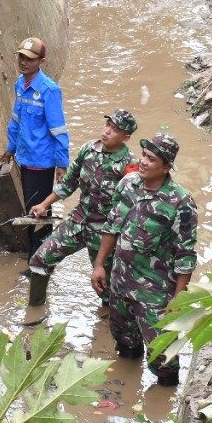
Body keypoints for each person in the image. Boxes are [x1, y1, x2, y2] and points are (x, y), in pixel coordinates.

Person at [90, 133, 197, 387]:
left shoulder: (180, 202)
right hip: (120, 285)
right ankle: (125, 388)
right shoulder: (128, 184)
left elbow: (186, 254)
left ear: (166, 167)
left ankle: (162, 404)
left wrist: (179, 297)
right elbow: (112, 226)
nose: (144, 162)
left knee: (163, 357)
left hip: (155, 295)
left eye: (152, 159)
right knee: (125, 344)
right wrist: (99, 265)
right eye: (143, 156)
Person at [26, 109, 139, 311]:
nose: (107, 131)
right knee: (40, 259)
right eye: (107, 125)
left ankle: (109, 322)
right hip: (78, 221)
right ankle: (34, 311)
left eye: (114, 130)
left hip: (105, 232)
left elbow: (128, 211)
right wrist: (44, 204)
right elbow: (68, 183)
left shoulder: (130, 166)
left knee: (107, 287)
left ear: (126, 137)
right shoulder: (89, 149)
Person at [0, 36, 69, 258]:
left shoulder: (49, 90)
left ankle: (37, 259)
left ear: (41, 61)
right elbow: (16, 120)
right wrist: (10, 148)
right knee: (35, 208)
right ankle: (41, 255)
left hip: (41, 162)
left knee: (37, 211)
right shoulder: (20, 84)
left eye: (29, 59)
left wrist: (62, 164)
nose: (23, 62)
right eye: (21, 57)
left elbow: (58, 130)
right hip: (25, 158)